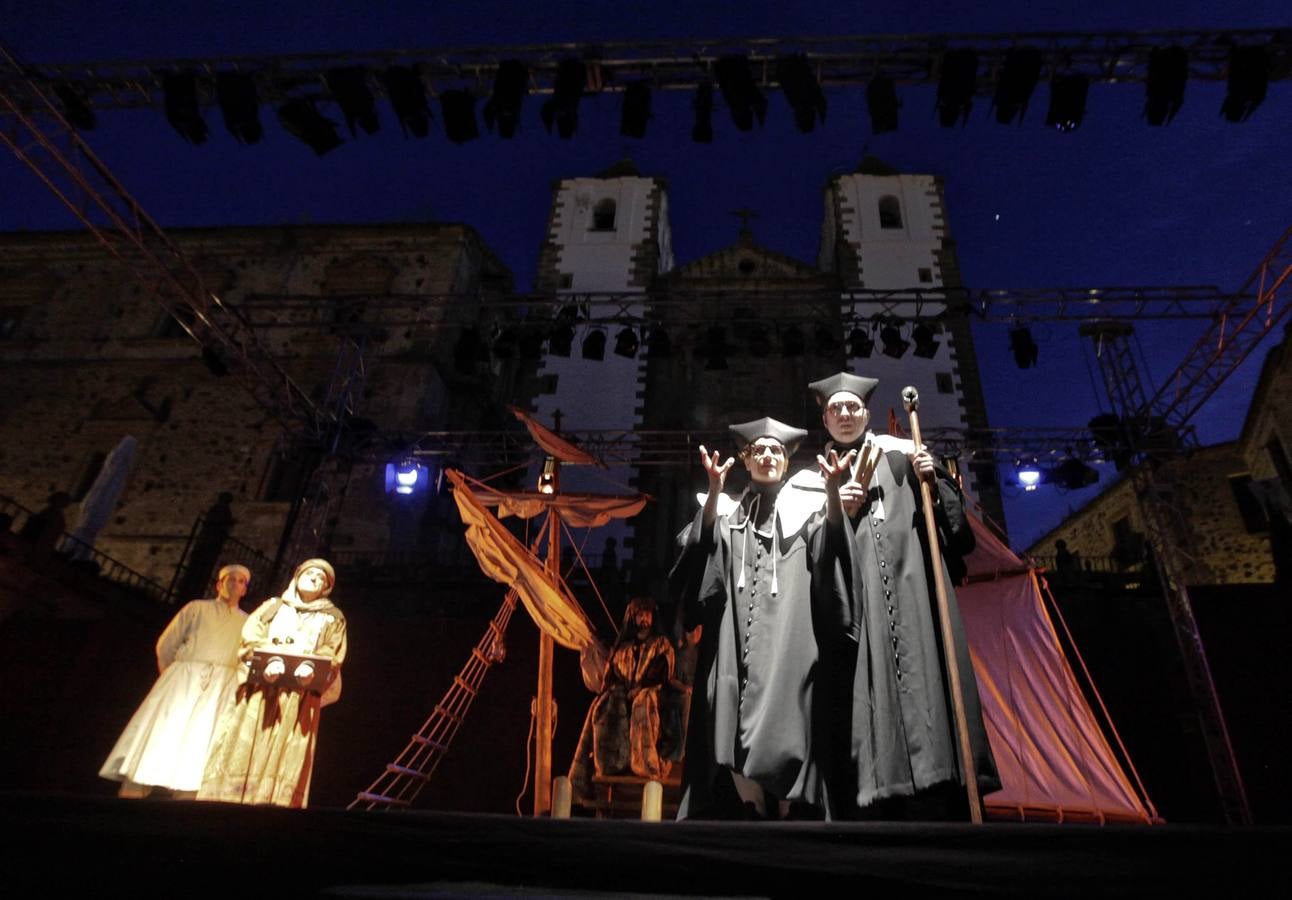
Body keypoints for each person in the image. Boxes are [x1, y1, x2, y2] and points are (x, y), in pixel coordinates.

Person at [789, 372, 999, 820]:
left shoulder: (904, 457)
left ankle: (943, 782)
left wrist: (936, 480)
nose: (845, 415)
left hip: (913, 596)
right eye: (836, 410)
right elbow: (806, 564)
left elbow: (958, 538)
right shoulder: (811, 481)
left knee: (928, 680)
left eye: (853, 408)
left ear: (865, 413)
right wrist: (836, 510)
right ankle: (878, 792)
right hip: (857, 610)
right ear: (825, 419)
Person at [669, 417, 848, 820]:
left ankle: (789, 813)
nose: (767, 456)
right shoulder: (730, 515)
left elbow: (834, 548)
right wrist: (714, 491)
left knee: (792, 723)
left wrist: (833, 492)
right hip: (736, 649)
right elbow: (697, 555)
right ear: (746, 460)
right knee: (727, 717)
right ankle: (751, 808)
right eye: (759, 451)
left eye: (776, 451)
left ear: (786, 462)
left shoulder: (808, 511)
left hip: (790, 644)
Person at [198, 558, 347, 808]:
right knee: (247, 739)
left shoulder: (333, 618)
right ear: (297, 576)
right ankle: (228, 799)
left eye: (321, 578)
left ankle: (275, 802)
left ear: (326, 587)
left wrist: (310, 667)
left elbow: (333, 654)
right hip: (261, 691)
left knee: (286, 746)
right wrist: (266, 656)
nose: (314, 578)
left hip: (298, 698)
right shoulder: (273, 607)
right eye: (310, 573)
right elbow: (250, 637)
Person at [99, 564, 251, 798]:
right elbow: (167, 644)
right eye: (231, 580)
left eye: (241, 582)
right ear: (219, 584)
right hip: (184, 680)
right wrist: (175, 675)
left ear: (245, 590)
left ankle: (184, 802)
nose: (235, 585)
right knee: (162, 734)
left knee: (200, 742)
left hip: (219, 689)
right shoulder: (197, 608)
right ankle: (133, 794)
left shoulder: (248, 622)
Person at [568, 597, 677, 802]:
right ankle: (610, 763)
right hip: (624, 693)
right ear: (633, 617)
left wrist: (640, 688)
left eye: (647, 614)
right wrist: (617, 690)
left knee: (641, 702)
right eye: (640, 614)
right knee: (603, 704)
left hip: (652, 695)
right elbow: (612, 676)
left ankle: (645, 763)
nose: (644, 618)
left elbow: (661, 673)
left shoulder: (661, 645)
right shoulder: (623, 648)